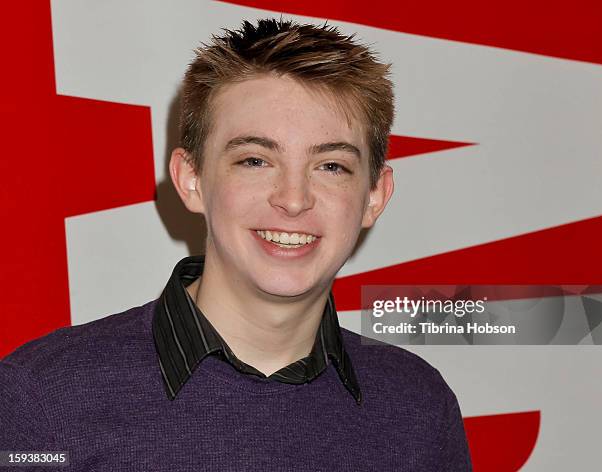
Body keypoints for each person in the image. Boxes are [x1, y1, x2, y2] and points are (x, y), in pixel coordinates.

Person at [0, 18, 472, 471]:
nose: (293, 199)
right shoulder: (41, 399)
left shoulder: (419, 407)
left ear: (374, 196)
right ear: (191, 180)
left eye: (331, 166)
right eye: (254, 160)